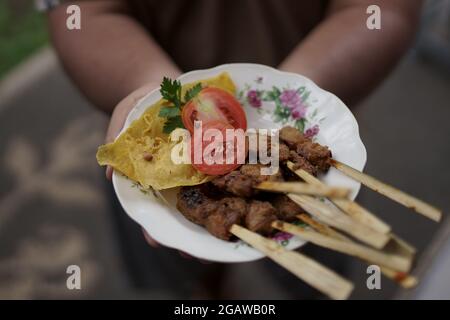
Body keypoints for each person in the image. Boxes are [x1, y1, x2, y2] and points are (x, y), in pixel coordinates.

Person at [46, 0, 423, 298]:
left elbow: (381, 8)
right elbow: (82, 12)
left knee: (316, 262)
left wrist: (301, 90)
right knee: (182, 273)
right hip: (154, 141)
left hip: (324, 97)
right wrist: (147, 96)